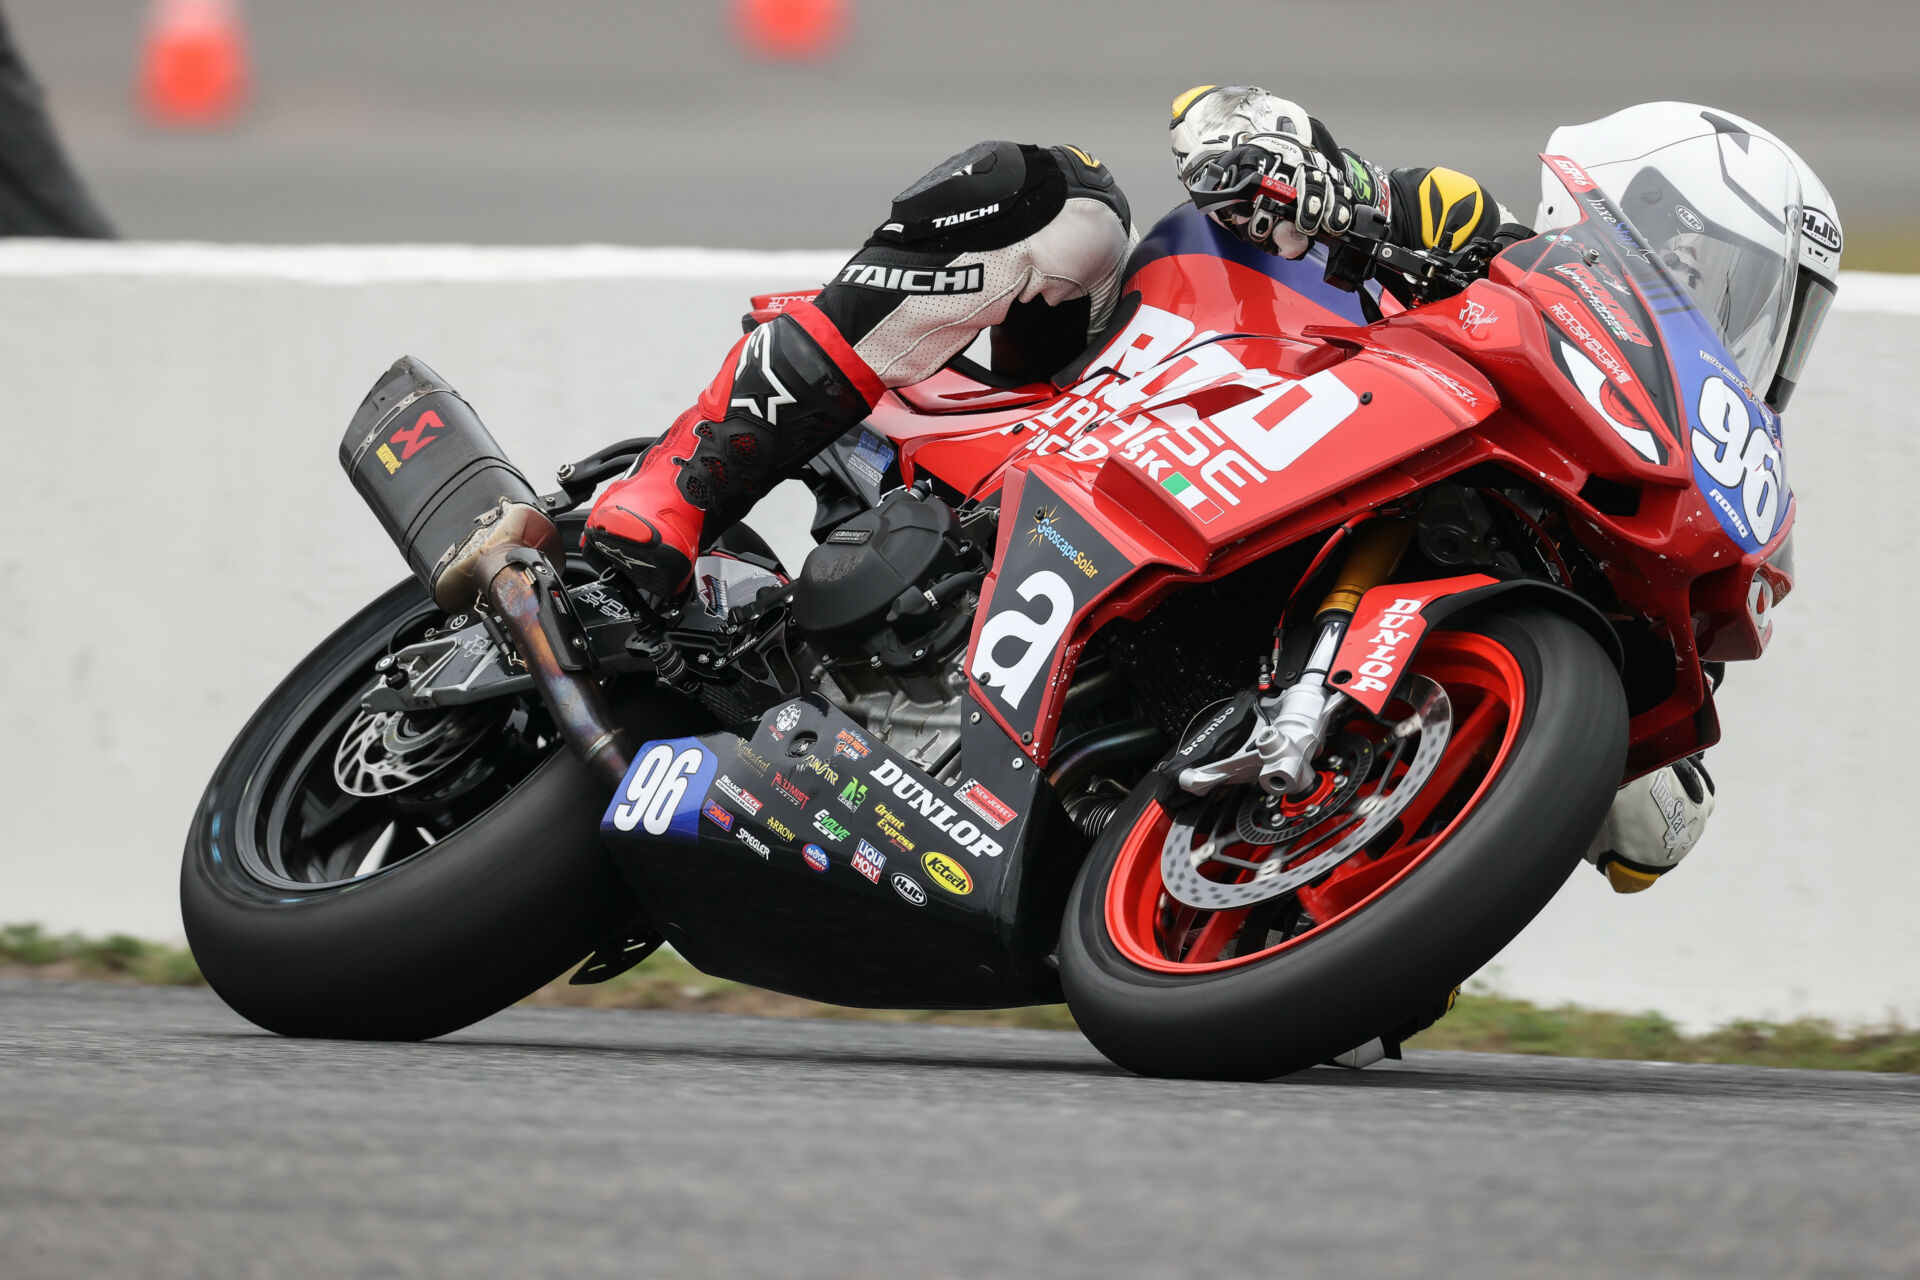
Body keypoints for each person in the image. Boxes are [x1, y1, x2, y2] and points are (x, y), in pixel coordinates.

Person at [580, 85, 1710, 886]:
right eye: (1685, 253)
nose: (1691, 297)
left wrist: (1600, 755)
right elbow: (1230, 120)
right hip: (1142, 405)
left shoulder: (1598, 475)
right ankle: (661, 505)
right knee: (1058, 195)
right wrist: (1301, 171)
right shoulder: (1477, 236)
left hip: (1257, 600)